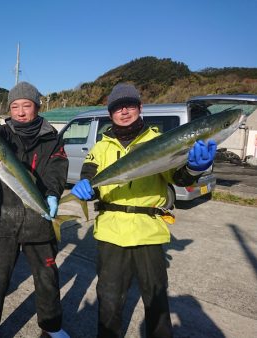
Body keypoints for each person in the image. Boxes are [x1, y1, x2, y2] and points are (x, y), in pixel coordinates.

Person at [71, 83, 217, 338]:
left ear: (140, 108)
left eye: (129, 105)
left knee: (156, 299)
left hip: (150, 231)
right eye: (117, 107)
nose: (124, 111)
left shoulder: (159, 141)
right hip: (110, 232)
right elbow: (90, 178)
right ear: (110, 113)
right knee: (108, 299)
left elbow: (179, 178)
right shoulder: (100, 147)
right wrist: (86, 187)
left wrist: (194, 168)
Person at [0, 81, 70, 338]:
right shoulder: (2, 132)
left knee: (47, 281)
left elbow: (57, 170)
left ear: (37, 107)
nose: (20, 111)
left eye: (26, 105)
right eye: (15, 106)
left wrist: (52, 194)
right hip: (2, 221)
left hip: (39, 222)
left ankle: (51, 328)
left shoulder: (52, 138)